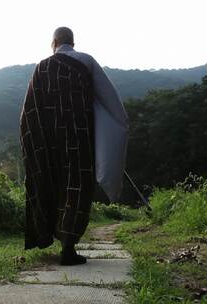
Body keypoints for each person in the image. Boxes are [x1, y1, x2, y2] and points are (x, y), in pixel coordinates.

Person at [20, 27, 129, 265]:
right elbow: (110, 101)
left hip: (47, 142)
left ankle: (46, 233)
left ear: (54, 42)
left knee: (50, 183)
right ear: (72, 42)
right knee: (75, 188)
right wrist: (113, 132)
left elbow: (29, 109)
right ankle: (68, 248)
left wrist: (33, 141)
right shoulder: (86, 62)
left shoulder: (42, 66)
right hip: (79, 138)